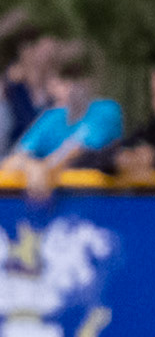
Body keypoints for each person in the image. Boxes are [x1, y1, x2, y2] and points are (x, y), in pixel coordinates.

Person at [2, 42, 124, 203]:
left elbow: (77, 149)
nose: (71, 86)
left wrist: (45, 169)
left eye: (76, 77)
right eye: (63, 78)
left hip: (98, 202)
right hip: (58, 207)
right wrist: (32, 167)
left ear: (91, 80)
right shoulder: (52, 116)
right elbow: (14, 158)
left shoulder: (106, 110)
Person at [0, 14, 57, 150]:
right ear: (26, 51)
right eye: (44, 49)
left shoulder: (57, 88)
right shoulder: (9, 87)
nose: (50, 54)